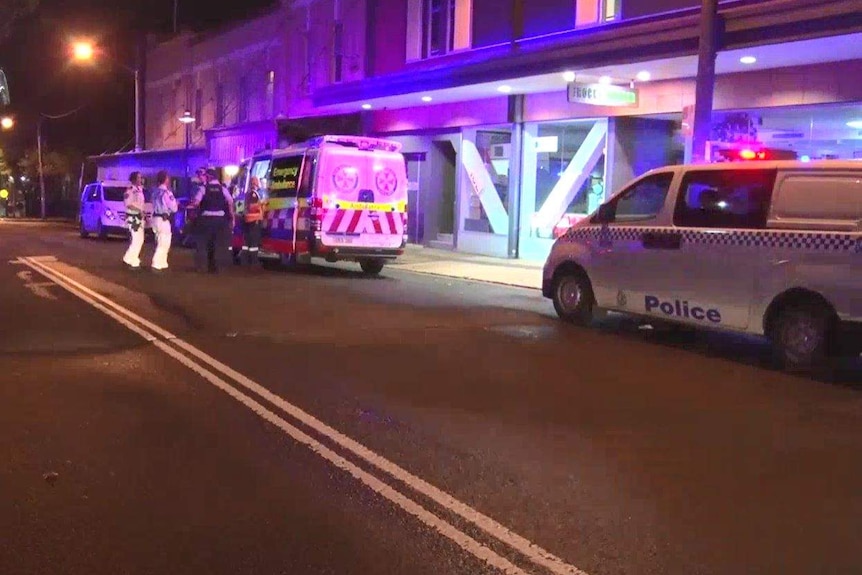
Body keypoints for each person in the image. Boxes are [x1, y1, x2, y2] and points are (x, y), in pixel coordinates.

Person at [190, 168, 234, 273]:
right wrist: (231, 217)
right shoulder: (223, 188)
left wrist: (191, 207)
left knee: (203, 244)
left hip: (206, 219)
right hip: (220, 220)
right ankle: (217, 267)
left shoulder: (204, 188)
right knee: (218, 244)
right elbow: (230, 201)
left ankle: (203, 267)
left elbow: (196, 202)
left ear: (209, 177)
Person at [150, 170, 179, 271]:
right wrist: (176, 204)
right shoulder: (167, 193)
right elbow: (174, 207)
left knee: (159, 240)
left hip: (155, 218)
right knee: (164, 242)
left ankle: (162, 263)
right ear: (166, 179)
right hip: (163, 218)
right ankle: (157, 263)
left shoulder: (154, 192)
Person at [122, 171, 146, 270]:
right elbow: (128, 204)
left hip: (139, 218)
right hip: (133, 218)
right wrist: (139, 210)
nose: (141, 179)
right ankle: (133, 261)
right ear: (135, 179)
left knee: (139, 239)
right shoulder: (130, 190)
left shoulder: (140, 190)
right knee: (137, 240)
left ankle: (128, 258)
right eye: (139, 177)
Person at [241, 176, 265, 266]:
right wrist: (262, 204)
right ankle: (254, 262)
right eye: (257, 182)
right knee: (253, 242)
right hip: (254, 220)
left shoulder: (249, 193)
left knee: (247, 242)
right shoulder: (253, 194)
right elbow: (252, 206)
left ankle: (245, 260)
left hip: (249, 219)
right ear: (255, 183)